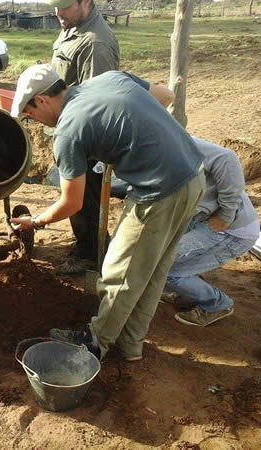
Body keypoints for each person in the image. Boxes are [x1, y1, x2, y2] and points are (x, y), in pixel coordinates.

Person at [10, 64, 205, 361]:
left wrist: (35, 222)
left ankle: (93, 345)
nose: (33, 121)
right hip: (193, 176)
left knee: (119, 270)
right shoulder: (110, 79)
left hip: (159, 192)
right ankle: (130, 345)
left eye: (29, 113)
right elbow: (165, 96)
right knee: (152, 270)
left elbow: (71, 203)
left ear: (42, 100)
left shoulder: (68, 131)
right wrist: (126, 139)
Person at [46, 0, 120, 276]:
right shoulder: (72, 27)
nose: (58, 14)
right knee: (78, 198)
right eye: (55, 8)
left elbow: (97, 101)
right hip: (68, 128)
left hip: (86, 140)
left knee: (86, 198)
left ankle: (91, 254)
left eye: (64, 7)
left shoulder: (94, 44)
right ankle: (86, 244)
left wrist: (78, 143)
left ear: (85, 2)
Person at [162, 137, 259, 326]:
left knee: (166, 268)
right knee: (164, 256)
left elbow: (226, 158)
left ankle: (217, 304)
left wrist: (227, 214)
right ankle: (185, 289)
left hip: (230, 229)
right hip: (201, 218)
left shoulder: (169, 140)